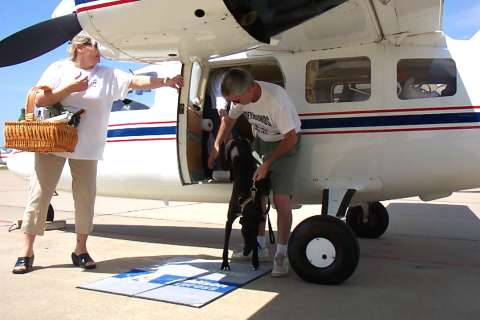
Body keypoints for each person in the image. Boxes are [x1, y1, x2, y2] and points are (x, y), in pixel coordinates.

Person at [12, 33, 184, 274]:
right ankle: (26, 251)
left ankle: (80, 250)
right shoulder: (58, 68)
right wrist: (71, 87)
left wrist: (166, 81)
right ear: (81, 47)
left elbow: (137, 83)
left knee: (85, 198)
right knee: (39, 196)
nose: (100, 52)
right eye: (96, 47)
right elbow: (41, 99)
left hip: (88, 147)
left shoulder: (108, 74)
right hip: (54, 142)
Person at [208, 68, 302, 277]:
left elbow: (291, 139)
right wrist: (216, 145)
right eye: (234, 101)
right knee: (256, 195)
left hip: (286, 146)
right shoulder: (241, 97)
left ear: (251, 89)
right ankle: (258, 246)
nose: (238, 104)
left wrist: (267, 164)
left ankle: (281, 254)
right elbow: (229, 121)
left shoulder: (276, 101)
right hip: (261, 143)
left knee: (281, 201)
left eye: (239, 99)